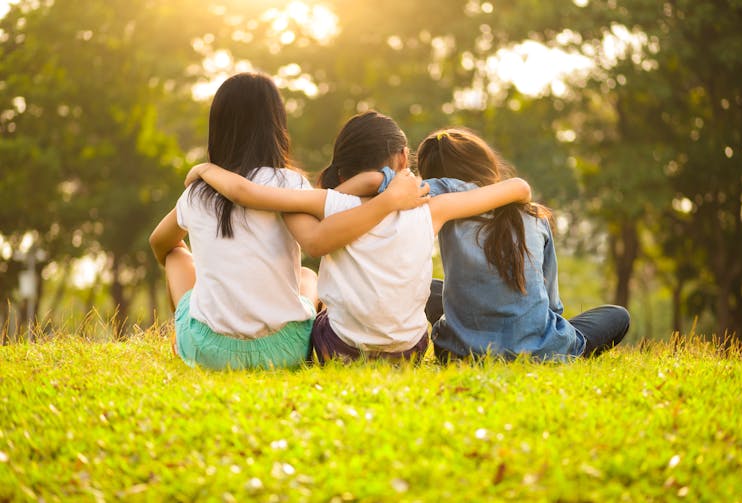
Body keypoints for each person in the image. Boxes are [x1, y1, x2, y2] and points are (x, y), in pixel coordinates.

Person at [188, 111, 532, 362]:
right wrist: (407, 191)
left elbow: (245, 193)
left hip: (340, 349)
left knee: (315, 302)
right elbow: (519, 187)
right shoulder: (433, 209)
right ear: (401, 159)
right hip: (408, 352)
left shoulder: (327, 203)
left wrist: (205, 169)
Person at [148, 73, 429, 371]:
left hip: (212, 353)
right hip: (285, 351)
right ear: (276, 126)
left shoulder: (199, 191)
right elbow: (325, 213)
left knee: (177, 254)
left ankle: (185, 339)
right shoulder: (290, 183)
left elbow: (160, 242)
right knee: (307, 278)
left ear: (216, 128)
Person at [413, 127, 630, 361]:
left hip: (461, 350)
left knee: (427, 288)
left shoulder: (446, 206)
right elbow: (553, 304)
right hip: (539, 348)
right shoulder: (534, 216)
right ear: (485, 163)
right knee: (617, 316)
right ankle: (551, 347)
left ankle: (481, 332)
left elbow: (414, 191)